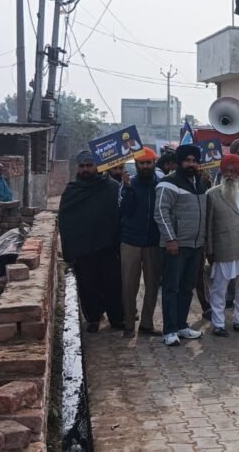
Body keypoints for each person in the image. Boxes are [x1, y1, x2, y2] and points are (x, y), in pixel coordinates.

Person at [58, 151, 124, 333]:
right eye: (82, 166)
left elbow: (120, 215)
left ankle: (117, 318)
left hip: (108, 246)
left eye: (89, 165)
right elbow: (65, 221)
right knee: (88, 285)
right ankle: (93, 319)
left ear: (98, 166)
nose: (85, 169)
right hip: (84, 248)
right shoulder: (72, 191)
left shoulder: (112, 187)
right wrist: (69, 250)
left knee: (112, 284)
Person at [154, 144, 207, 346]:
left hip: (196, 245)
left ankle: (181, 325)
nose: (191, 164)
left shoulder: (200, 184)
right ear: (179, 162)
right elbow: (160, 212)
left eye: (194, 161)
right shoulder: (168, 183)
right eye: (187, 160)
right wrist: (170, 239)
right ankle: (169, 330)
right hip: (175, 245)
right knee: (171, 288)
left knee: (187, 287)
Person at [205, 154, 239, 336]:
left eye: (234, 171)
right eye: (227, 171)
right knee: (220, 287)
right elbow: (208, 226)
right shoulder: (212, 194)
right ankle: (218, 324)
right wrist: (209, 250)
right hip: (224, 247)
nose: (229, 175)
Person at [118, 147, 163, 338]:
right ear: (136, 165)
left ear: (154, 163)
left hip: (154, 242)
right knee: (129, 286)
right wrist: (128, 189)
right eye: (142, 163)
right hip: (131, 242)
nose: (145, 166)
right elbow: (124, 212)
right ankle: (129, 324)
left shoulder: (161, 185)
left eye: (148, 163)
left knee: (152, 285)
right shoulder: (128, 184)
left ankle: (146, 324)